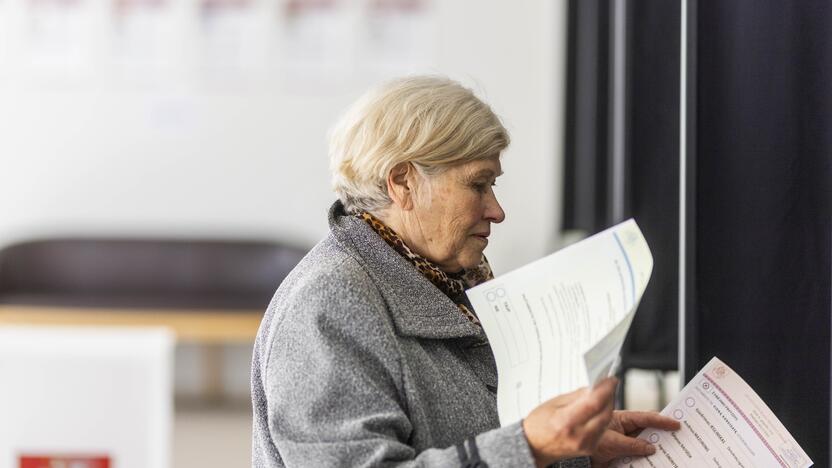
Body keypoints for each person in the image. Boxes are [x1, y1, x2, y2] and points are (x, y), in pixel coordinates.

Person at [251, 76, 679, 467]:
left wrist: (574, 451)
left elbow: (479, 435)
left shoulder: (444, 279)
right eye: (478, 184)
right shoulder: (328, 304)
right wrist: (533, 445)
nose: (497, 210)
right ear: (403, 183)